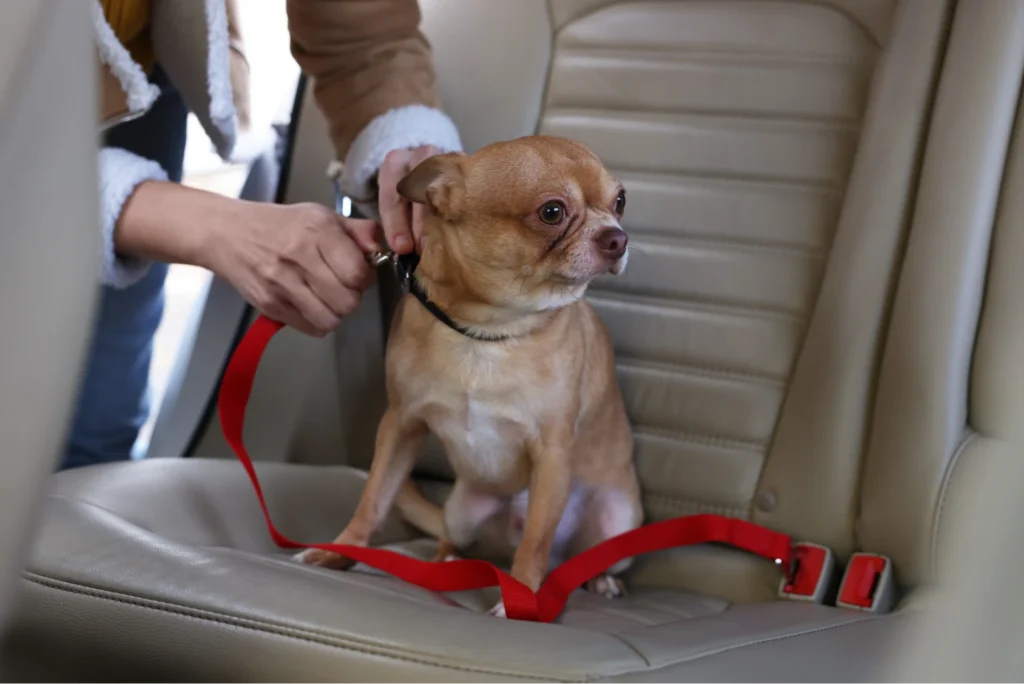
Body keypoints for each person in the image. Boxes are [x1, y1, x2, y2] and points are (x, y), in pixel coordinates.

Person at [63, 0, 462, 470]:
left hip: (129, 71)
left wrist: (402, 137)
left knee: (97, 418)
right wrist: (207, 225)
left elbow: (362, 31)